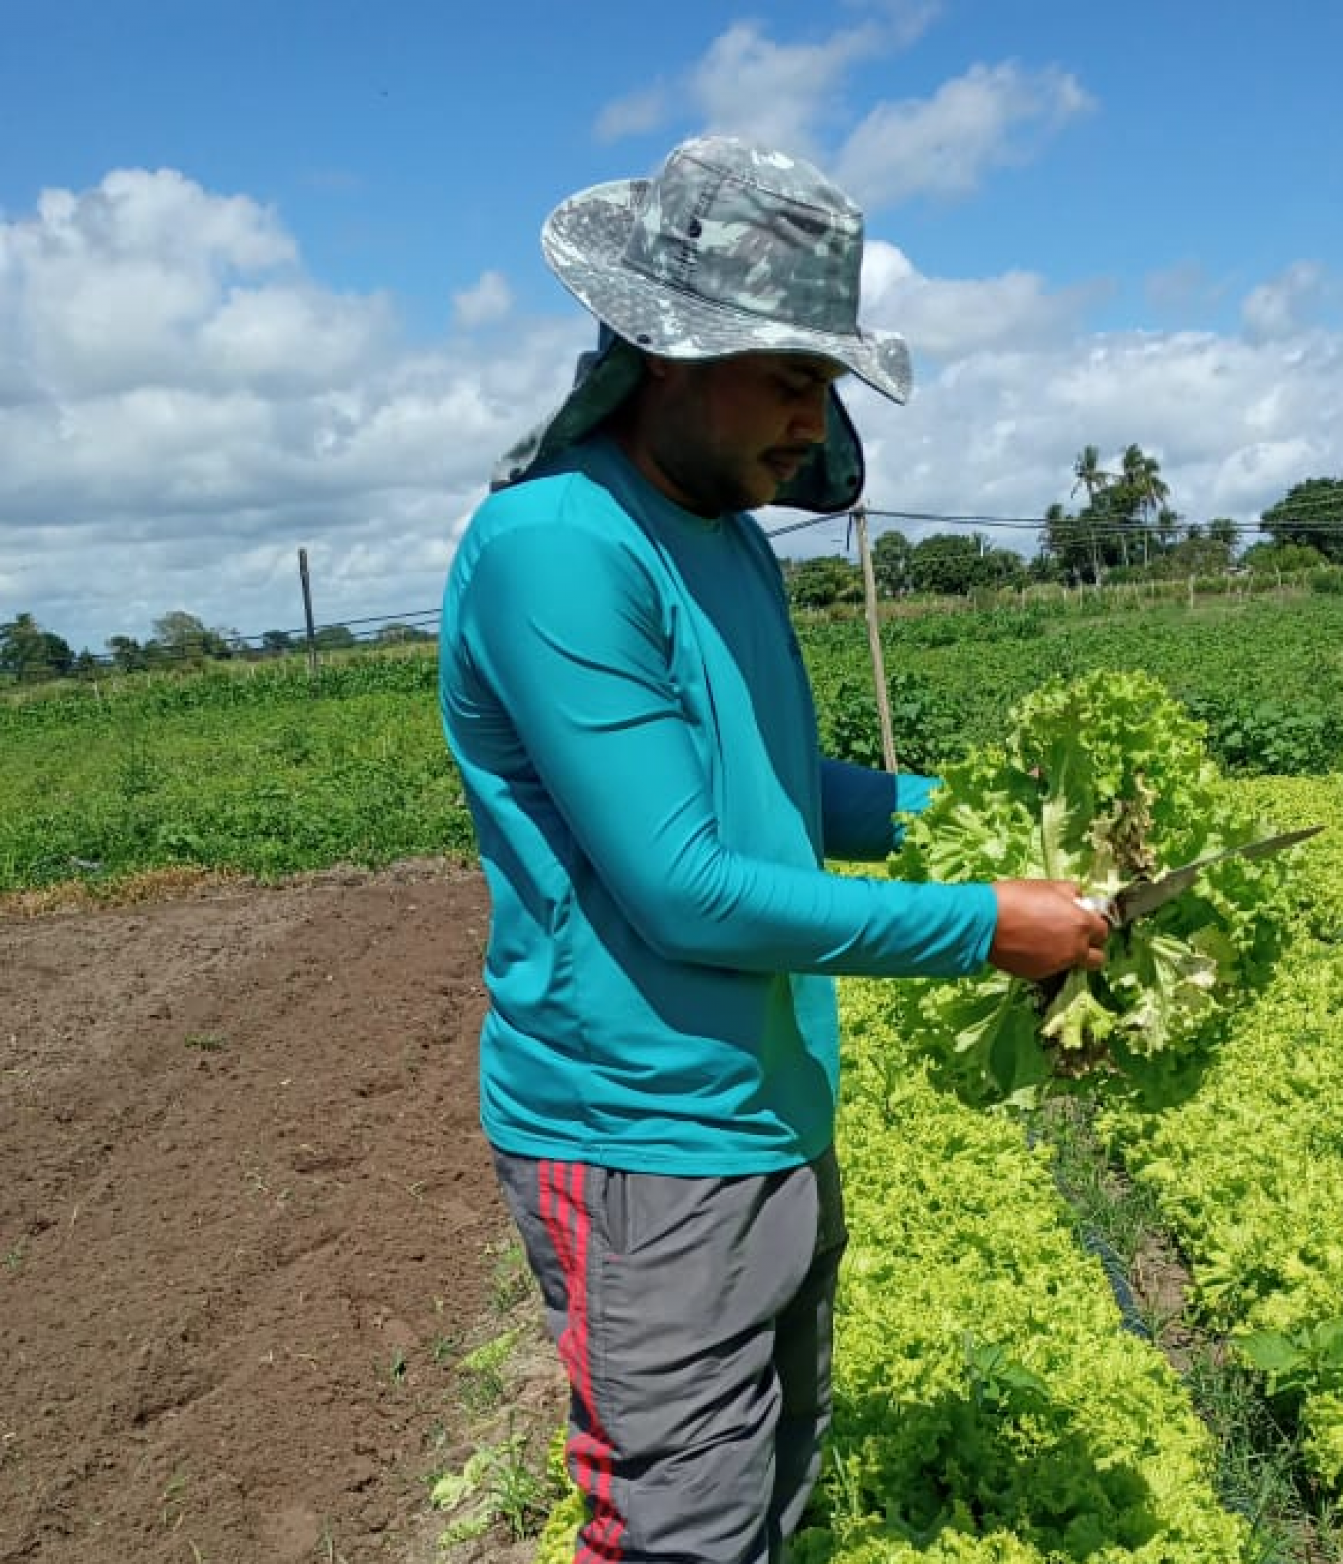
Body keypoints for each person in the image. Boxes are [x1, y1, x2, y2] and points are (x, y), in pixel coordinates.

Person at [438, 135, 1108, 1564]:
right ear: (666, 354)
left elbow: (776, 784)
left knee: (772, 1489)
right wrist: (986, 922)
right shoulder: (561, 547)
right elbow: (685, 890)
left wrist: (975, 809)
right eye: (792, 376)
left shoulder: (724, 533)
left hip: (769, 1107)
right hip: (641, 1138)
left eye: (828, 383)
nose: (816, 419)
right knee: (681, 1527)